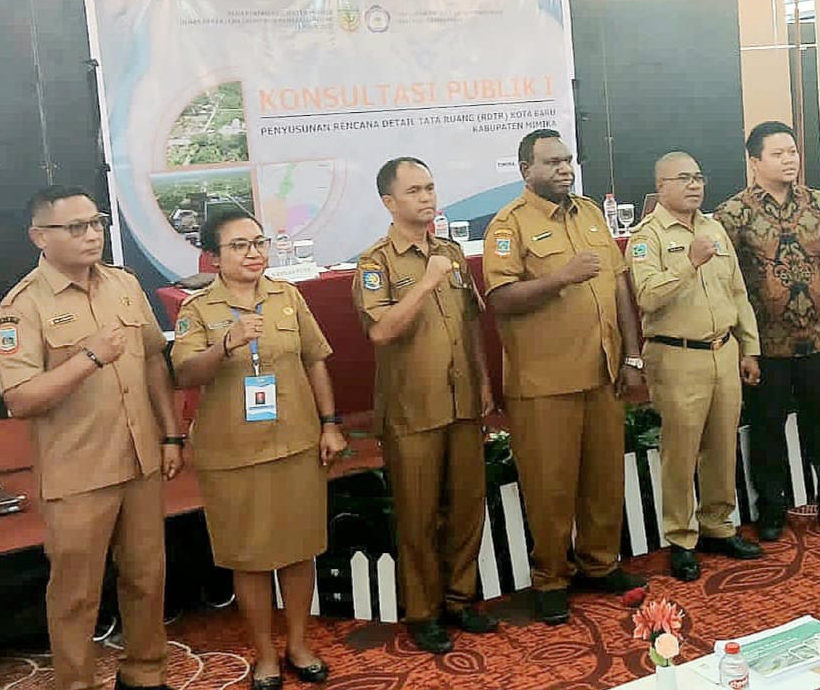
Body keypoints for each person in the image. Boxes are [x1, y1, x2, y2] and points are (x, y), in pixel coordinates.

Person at [0, 186, 181, 690]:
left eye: (96, 223)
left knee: (147, 577)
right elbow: (20, 398)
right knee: (76, 594)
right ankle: (76, 683)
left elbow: (154, 359)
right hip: (78, 471)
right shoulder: (21, 308)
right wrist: (89, 357)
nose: (92, 234)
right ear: (39, 237)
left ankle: (145, 674)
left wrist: (171, 434)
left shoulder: (124, 284)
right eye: (76, 227)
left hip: (139, 458)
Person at [172, 209, 345, 687]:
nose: (254, 253)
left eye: (259, 242)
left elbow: (315, 360)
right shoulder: (198, 309)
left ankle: (298, 644)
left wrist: (330, 424)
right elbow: (184, 374)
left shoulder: (287, 297)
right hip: (232, 451)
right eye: (239, 246)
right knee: (248, 556)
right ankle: (265, 654)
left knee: (299, 548)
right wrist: (224, 345)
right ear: (213, 257)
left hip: (295, 441)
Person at [482, 128, 646, 625]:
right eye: (552, 162)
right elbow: (499, 299)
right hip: (544, 382)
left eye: (567, 160)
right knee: (550, 488)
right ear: (525, 169)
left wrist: (632, 356)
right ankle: (551, 579)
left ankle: (600, 565)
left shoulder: (590, 213)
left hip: (601, 370)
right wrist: (560, 278)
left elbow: (619, 286)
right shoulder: (509, 225)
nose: (564, 169)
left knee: (603, 479)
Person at [353, 157, 498, 654]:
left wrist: (482, 380)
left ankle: (460, 599)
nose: (427, 198)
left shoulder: (450, 252)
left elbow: (471, 322)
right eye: (414, 191)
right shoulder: (376, 263)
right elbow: (381, 331)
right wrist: (427, 283)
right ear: (389, 202)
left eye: (430, 188)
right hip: (412, 408)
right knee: (418, 515)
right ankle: (423, 611)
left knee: (467, 506)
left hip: (462, 400)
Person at [714, 121, 820, 539]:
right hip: (766, 343)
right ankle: (772, 508)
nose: (789, 160)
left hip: (819, 337)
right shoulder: (733, 213)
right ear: (754, 161)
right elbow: (724, 279)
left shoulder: (819, 204)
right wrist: (741, 344)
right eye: (778, 154)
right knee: (767, 430)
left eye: (793, 152)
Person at [630, 151, 764, 582]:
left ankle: (718, 526)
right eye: (683, 178)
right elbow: (647, 296)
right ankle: (681, 538)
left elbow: (737, 292)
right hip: (676, 355)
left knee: (722, 446)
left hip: (723, 350)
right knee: (681, 452)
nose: (694, 185)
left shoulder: (714, 228)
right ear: (661, 187)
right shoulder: (647, 237)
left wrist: (749, 347)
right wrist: (688, 262)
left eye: (699, 177)